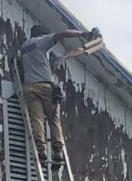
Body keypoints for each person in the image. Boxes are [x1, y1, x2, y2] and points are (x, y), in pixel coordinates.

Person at [16, 24, 102, 166]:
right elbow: (63, 34)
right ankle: (57, 150)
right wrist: (84, 34)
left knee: (37, 119)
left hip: (30, 88)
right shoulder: (43, 41)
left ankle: (41, 150)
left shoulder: (25, 46)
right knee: (53, 119)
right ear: (42, 34)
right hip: (46, 86)